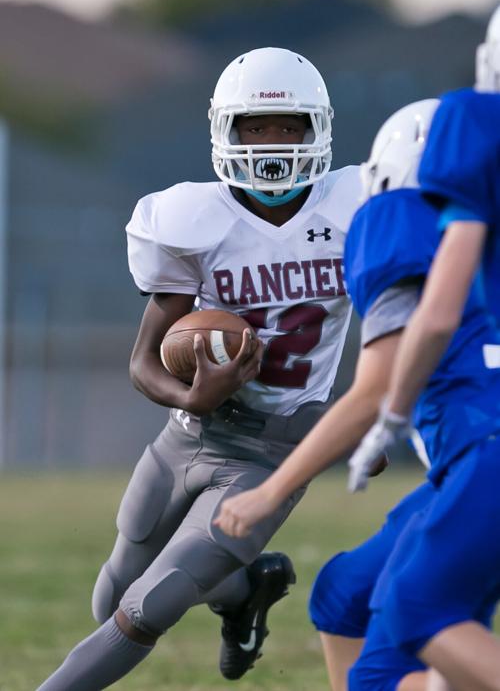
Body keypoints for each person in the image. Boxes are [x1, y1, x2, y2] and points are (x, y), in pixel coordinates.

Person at [36, 47, 364, 690]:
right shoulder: (191, 218)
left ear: (318, 128)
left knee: (144, 609)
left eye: (288, 126)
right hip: (187, 436)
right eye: (256, 127)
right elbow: (143, 363)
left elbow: (397, 330)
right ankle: (245, 591)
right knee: (110, 600)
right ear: (225, 130)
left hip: (273, 450)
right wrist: (195, 393)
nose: (273, 142)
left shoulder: (357, 208)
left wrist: (372, 421)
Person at [215, 98, 470, 691]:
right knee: (343, 596)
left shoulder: (394, 229)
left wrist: (272, 489)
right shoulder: (472, 238)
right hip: (458, 468)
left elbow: (374, 387)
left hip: (478, 460)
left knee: (422, 620)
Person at [346, 4, 500, 691]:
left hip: (481, 430)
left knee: (417, 604)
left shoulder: (473, 128)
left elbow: (434, 316)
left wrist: (391, 416)